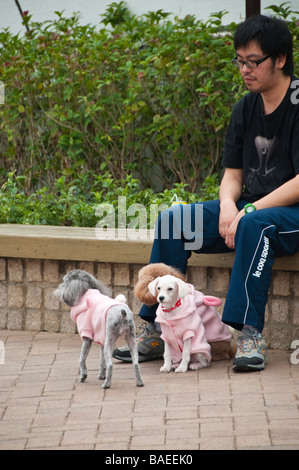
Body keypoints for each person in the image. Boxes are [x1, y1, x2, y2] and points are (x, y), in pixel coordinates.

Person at [113, 14, 299, 371]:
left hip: (289, 213)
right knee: (174, 222)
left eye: (254, 62)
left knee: (254, 224)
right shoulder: (246, 107)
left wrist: (248, 211)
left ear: (279, 59)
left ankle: (248, 334)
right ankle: (157, 325)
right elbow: (232, 174)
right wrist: (230, 205)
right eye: (240, 61)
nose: (245, 69)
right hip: (253, 208)